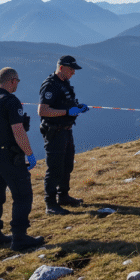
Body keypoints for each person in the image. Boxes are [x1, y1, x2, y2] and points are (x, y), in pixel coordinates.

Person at [0, 67, 44, 251]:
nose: (17, 85)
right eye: (17, 81)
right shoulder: (11, 101)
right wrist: (29, 153)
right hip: (8, 155)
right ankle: (19, 238)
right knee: (22, 195)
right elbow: (18, 130)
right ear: (12, 80)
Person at [39, 55, 89, 215]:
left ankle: (64, 196)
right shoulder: (50, 85)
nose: (74, 72)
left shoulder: (65, 84)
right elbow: (43, 110)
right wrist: (67, 111)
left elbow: (65, 103)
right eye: (71, 69)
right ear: (61, 68)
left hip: (66, 130)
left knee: (67, 165)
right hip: (55, 132)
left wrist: (77, 107)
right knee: (55, 168)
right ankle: (51, 204)